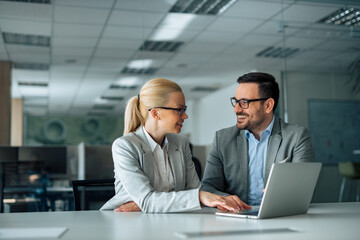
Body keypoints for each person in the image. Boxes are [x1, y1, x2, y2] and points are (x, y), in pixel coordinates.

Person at [101, 78, 240, 213]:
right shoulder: (125, 146)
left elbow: (192, 190)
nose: (185, 116)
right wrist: (198, 197)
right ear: (155, 113)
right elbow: (149, 201)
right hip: (127, 221)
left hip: (169, 219)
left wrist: (216, 198)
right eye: (179, 110)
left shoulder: (181, 143)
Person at [201, 72, 315, 208]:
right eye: (236, 101)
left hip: (281, 215)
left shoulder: (296, 137)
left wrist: (285, 193)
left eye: (244, 102)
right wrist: (226, 199)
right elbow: (207, 187)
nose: (236, 109)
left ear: (268, 105)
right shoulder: (222, 139)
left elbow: (304, 188)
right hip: (236, 217)